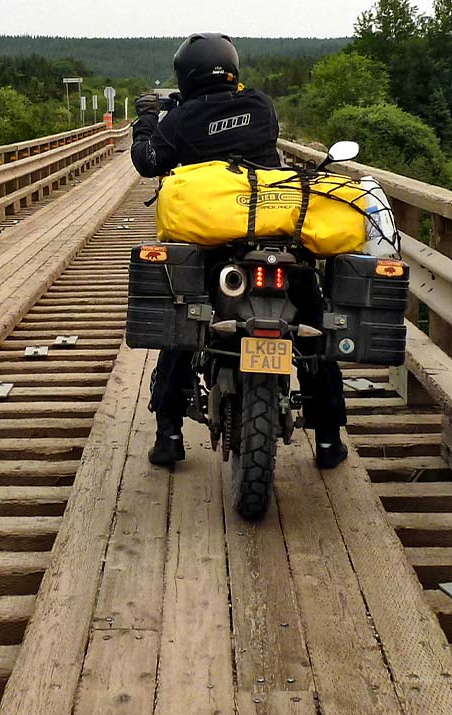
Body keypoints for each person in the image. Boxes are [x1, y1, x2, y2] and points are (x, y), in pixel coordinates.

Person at [131, 32, 348, 470]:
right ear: (232, 69)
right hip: (273, 237)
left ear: (187, 75)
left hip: (215, 243)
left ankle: (170, 433)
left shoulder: (180, 120)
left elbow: (147, 160)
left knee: (183, 322)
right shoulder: (261, 106)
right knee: (313, 324)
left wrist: (149, 120)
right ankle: (327, 439)